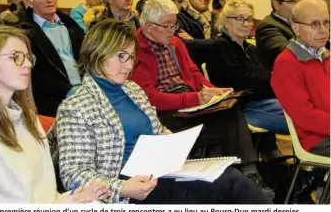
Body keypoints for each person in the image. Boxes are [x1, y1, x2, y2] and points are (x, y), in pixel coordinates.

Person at [54, 18, 272, 204]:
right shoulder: (76, 107)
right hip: (128, 191)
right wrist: (121, 188)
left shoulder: (132, 89)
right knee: (231, 184)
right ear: (96, 54)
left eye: (131, 57)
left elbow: (158, 131)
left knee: (230, 176)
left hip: (158, 173)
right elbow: (74, 175)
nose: (129, 65)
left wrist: (175, 146)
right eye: (121, 56)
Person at [130, 0, 275, 199]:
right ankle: (224, 177)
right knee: (218, 124)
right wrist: (195, 99)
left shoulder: (175, 43)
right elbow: (150, 98)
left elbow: (194, 72)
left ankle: (248, 171)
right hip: (165, 108)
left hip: (187, 97)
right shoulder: (136, 49)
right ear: (147, 25)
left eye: (174, 24)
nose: (172, 30)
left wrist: (212, 90)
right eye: (166, 26)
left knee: (229, 107)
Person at [0, 25, 110, 203]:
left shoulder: (28, 119)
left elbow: (45, 194)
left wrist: (75, 197)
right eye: (16, 57)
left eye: (29, 57)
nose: (28, 64)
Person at [206, 0, 288, 160]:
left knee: (308, 109)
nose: (245, 23)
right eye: (239, 19)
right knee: (302, 115)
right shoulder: (219, 47)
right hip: (240, 109)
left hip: (262, 101)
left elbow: (264, 77)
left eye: (249, 19)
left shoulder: (251, 48)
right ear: (225, 21)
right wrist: (272, 82)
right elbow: (243, 82)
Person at [271, 0, 330, 157]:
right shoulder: (287, 63)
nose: (324, 30)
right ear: (296, 28)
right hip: (316, 139)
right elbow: (304, 115)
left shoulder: (326, 55)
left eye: (326, 22)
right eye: (314, 24)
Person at [23, 0, 85, 117]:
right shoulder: (25, 33)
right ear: (29, 2)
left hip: (84, 90)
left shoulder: (69, 25)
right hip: (53, 100)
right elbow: (37, 78)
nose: (50, 0)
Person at [255, 0, 303, 71]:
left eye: (299, 2)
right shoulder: (267, 26)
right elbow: (287, 53)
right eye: (292, 1)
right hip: (283, 79)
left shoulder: (299, 22)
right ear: (276, 4)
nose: (298, 6)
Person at [176, 0, 215, 69]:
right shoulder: (177, 16)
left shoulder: (214, 19)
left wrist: (194, 41)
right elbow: (185, 47)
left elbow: (224, 44)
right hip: (189, 71)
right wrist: (215, 42)